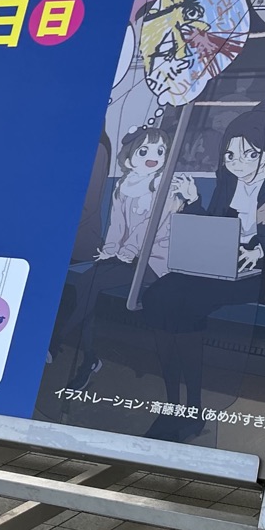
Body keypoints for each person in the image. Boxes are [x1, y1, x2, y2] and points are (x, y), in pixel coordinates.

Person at [143, 114, 265, 411]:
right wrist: (193, 201)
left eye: (249, 154)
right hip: (224, 263)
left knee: (187, 303)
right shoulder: (227, 178)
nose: (238, 163)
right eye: (230, 155)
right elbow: (215, 228)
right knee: (157, 295)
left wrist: (260, 250)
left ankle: (192, 405)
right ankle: (173, 400)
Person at [51, 123, 197, 390]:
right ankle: (88, 358)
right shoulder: (124, 185)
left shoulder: (164, 188)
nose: (153, 157)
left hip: (154, 260)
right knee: (86, 284)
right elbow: (117, 225)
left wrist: (126, 252)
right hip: (126, 257)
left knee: (91, 284)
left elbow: (150, 229)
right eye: (144, 151)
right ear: (129, 157)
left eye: (160, 151)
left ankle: (58, 340)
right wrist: (110, 249)